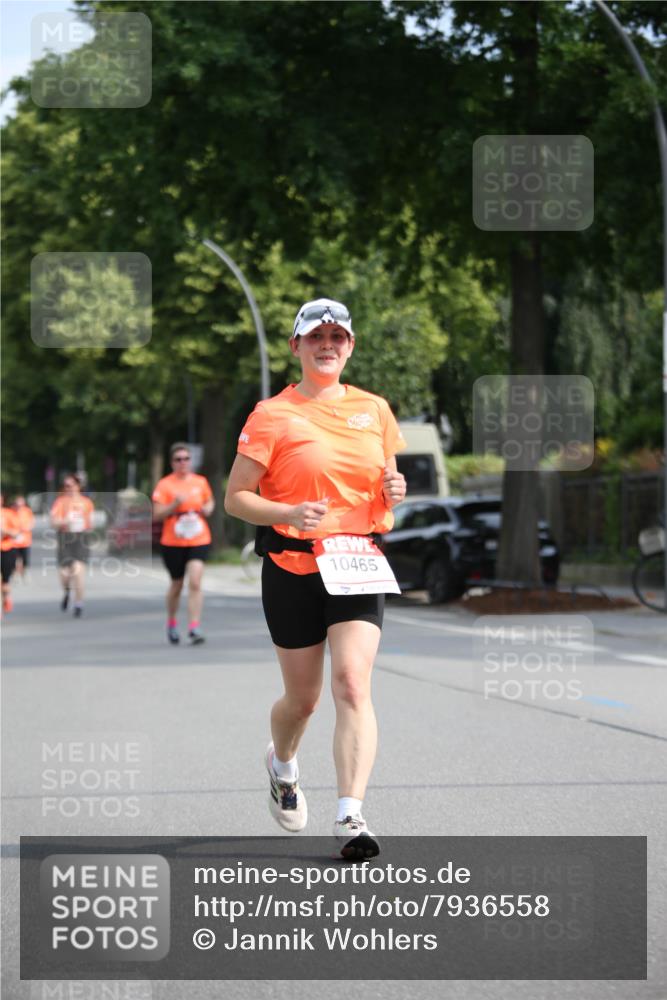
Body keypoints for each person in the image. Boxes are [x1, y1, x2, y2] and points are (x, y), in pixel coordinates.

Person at [225, 297, 407, 859]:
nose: (328, 344)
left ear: (350, 346)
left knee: (353, 684)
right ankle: (282, 765)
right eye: (317, 336)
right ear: (296, 347)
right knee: (301, 701)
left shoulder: (375, 410)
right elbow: (236, 499)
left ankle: (350, 815)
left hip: (357, 562)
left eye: (339, 337)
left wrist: (395, 492)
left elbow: (386, 485)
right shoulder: (271, 414)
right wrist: (285, 513)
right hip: (292, 564)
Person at [152, 443, 215, 646]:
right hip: (173, 540)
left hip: (199, 537)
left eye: (186, 459)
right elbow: (157, 514)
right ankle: (171, 623)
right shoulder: (165, 485)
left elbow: (210, 501)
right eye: (178, 459)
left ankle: (194, 627)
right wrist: (174, 504)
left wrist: (207, 508)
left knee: (195, 581)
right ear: (172, 463)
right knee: (177, 584)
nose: (183, 462)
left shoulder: (200, 481)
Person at [50, 473, 94, 617]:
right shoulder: (60, 502)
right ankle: (67, 591)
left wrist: (84, 526)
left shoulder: (87, 502)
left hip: (81, 537)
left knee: (78, 569)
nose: (68, 488)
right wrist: (65, 522)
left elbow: (90, 523)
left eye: (71, 485)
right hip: (65, 537)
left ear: (78, 486)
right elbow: (53, 522)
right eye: (66, 486)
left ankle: (79, 603)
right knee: (64, 574)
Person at [1, 493, 20, 613]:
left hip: (7, 549)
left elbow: (16, 533)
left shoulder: (8, 513)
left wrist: (5, 531)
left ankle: (6, 597)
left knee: (5, 582)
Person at [12, 495, 34, 578]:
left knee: (25, 559)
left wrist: (26, 528)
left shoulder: (27, 511)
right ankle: (16, 573)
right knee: (15, 558)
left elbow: (31, 523)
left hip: (25, 540)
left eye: (21, 504)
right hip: (14, 541)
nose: (19, 506)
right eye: (17, 504)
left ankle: (24, 572)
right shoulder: (12, 511)